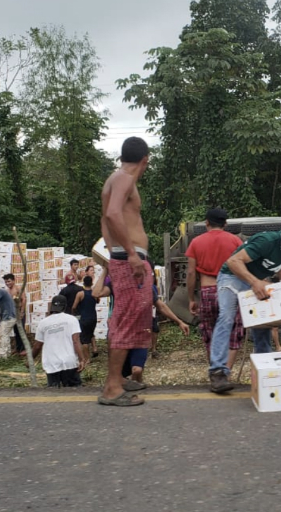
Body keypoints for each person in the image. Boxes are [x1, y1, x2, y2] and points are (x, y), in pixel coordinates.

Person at [207, 218, 281, 393]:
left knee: (264, 323)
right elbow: (233, 262)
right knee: (226, 317)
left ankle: (265, 369)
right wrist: (255, 282)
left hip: (255, 280)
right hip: (232, 277)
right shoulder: (268, 241)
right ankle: (218, 372)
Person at [98, 136, 152, 407]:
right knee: (126, 320)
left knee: (126, 319)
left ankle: (117, 379)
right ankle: (112, 388)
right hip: (129, 260)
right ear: (145, 160)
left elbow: (104, 218)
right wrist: (130, 254)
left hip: (121, 257)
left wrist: (113, 251)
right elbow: (112, 215)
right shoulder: (123, 179)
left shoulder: (113, 179)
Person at [186, 208, 246, 370]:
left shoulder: (196, 242)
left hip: (207, 291)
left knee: (210, 332)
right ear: (225, 224)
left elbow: (191, 273)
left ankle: (215, 371)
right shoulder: (235, 241)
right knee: (233, 331)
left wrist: (191, 298)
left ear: (206, 223)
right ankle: (225, 373)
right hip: (231, 291)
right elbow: (245, 265)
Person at [32, 295, 88, 387]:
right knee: (74, 391)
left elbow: (37, 346)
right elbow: (76, 341)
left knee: (54, 393)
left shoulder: (43, 323)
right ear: (65, 306)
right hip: (69, 362)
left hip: (51, 363)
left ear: (52, 307)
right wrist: (82, 359)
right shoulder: (72, 320)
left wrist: (31, 359)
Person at [72, 275, 101, 359]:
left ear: (83, 283)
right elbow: (98, 301)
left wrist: (74, 314)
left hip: (84, 318)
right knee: (90, 333)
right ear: (92, 283)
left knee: (84, 339)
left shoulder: (80, 294)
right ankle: (95, 349)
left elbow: (74, 306)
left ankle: (87, 359)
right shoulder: (94, 293)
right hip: (93, 317)